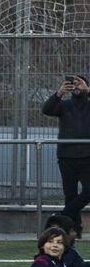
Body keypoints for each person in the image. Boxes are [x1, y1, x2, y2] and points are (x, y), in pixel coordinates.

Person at [42, 74, 90, 228]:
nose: (75, 86)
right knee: (70, 195)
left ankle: (62, 215)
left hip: (87, 155)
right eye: (73, 84)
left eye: (79, 84)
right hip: (66, 155)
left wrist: (87, 90)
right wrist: (59, 93)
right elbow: (47, 110)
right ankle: (74, 230)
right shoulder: (64, 105)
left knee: (88, 191)